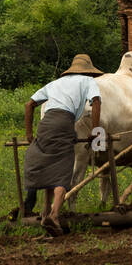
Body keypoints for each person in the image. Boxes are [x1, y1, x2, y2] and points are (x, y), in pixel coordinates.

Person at [24, 55, 103, 236]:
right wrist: (95, 130)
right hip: (63, 123)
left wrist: (29, 134)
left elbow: (29, 105)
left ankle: (44, 212)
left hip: (45, 124)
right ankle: (54, 215)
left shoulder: (55, 83)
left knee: (47, 166)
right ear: (88, 71)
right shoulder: (88, 81)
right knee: (63, 170)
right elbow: (96, 102)